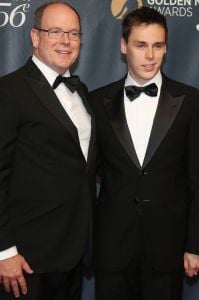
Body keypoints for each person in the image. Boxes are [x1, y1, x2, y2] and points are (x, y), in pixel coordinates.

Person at [89, 6, 199, 300]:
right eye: (140, 45)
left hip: (167, 247)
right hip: (112, 246)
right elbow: (89, 170)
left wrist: (197, 245)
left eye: (157, 46)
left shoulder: (191, 101)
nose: (150, 55)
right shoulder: (96, 101)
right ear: (123, 46)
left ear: (166, 47)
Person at [0, 2, 96, 299]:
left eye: (73, 33)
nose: (65, 41)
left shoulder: (82, 92)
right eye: (55, 31)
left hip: (73, 254)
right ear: (34, 37)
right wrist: (4, 251)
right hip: (27, 260)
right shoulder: (9, 91)